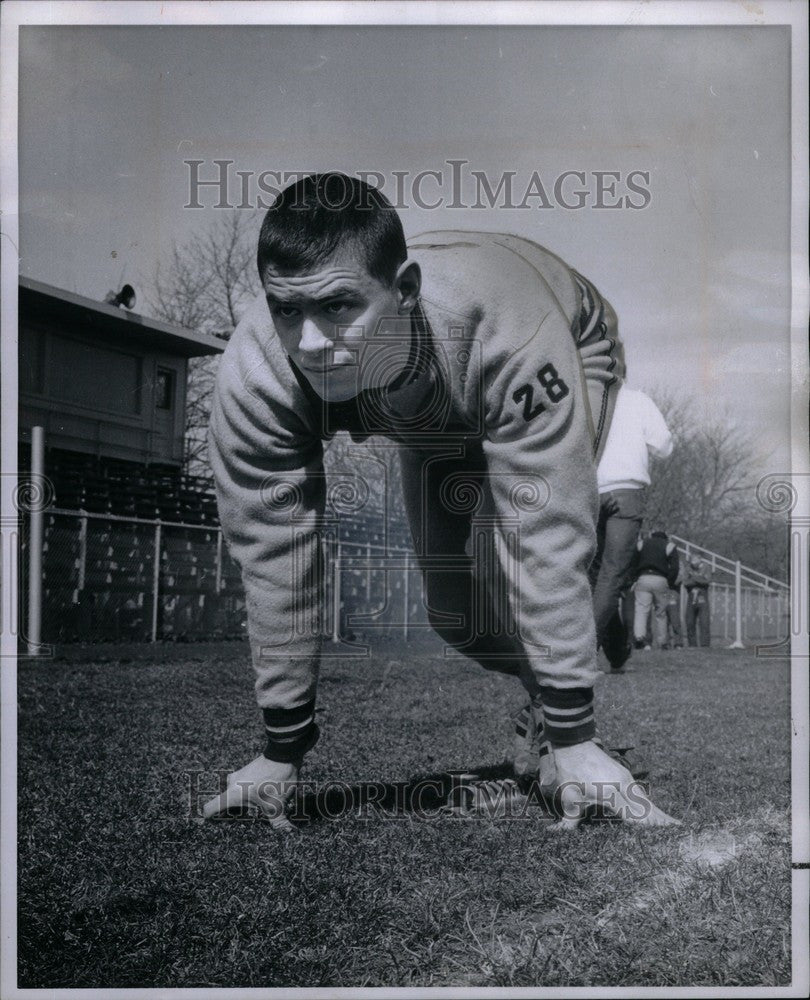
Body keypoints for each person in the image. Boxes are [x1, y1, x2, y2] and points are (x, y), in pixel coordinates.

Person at [204, 173, 676, 829]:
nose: (310, 343)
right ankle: (558, 681)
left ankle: (570, 731)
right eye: (288, 311)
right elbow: (274, 554)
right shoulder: (257, 372)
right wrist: (280, 753)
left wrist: (575, 741)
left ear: (404, 292)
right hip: (429, 396)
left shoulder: (511, 329)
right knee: (457, 616)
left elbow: (545, 534)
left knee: (514, 562)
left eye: (338, 307)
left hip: (561, 330)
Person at [588, 385, 673, 672]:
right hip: (626, 491)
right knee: (612, 577)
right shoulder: (637, 400)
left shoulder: (582, 396)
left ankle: (617, 651)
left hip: (589, 493)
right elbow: (663, 446)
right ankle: (583, 654)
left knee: (596, 578)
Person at [632, 530, 680, 650]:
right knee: (661, 612)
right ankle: (662, 641)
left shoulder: (641, 543)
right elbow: (675, 568)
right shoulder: (669, 545)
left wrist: (634, 578)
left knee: (641, 610)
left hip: (643, 578)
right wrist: (669, 581)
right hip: (661, 579)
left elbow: (632, 562)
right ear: (665, 537)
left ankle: (639, 638)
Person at [683, 554, 713, 647]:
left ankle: (705, 644)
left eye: (695, 562)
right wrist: (699, 579)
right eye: (692, 562)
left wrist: (693, 577)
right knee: (689, 621)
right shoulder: (688, 568)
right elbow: (685, 582)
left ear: (700, 560)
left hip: (702, 596)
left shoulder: (706, 567)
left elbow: (707, 581)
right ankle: (692, 644)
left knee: (704, 621)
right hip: (691, 596)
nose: (693, 565)